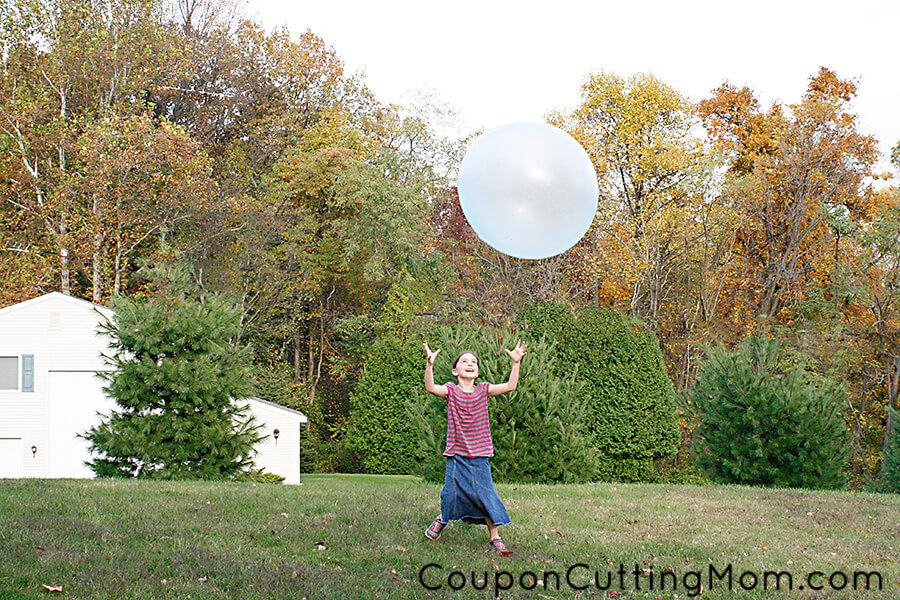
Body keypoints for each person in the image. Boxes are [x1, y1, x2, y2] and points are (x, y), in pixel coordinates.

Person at [422, 340, 527, 556]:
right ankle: (443, 519)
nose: (470, 364)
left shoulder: (483, 389)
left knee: (485, 495)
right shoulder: (451, 390)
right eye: (464, 361)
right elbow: (431, 388)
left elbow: (510, 386)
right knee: (450, 494)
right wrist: (429, 365)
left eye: (474, 362)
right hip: (456, 454)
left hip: (480, 456)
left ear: (477, 371)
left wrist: (516, 363)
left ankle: (495, 537)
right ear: (455, 371)